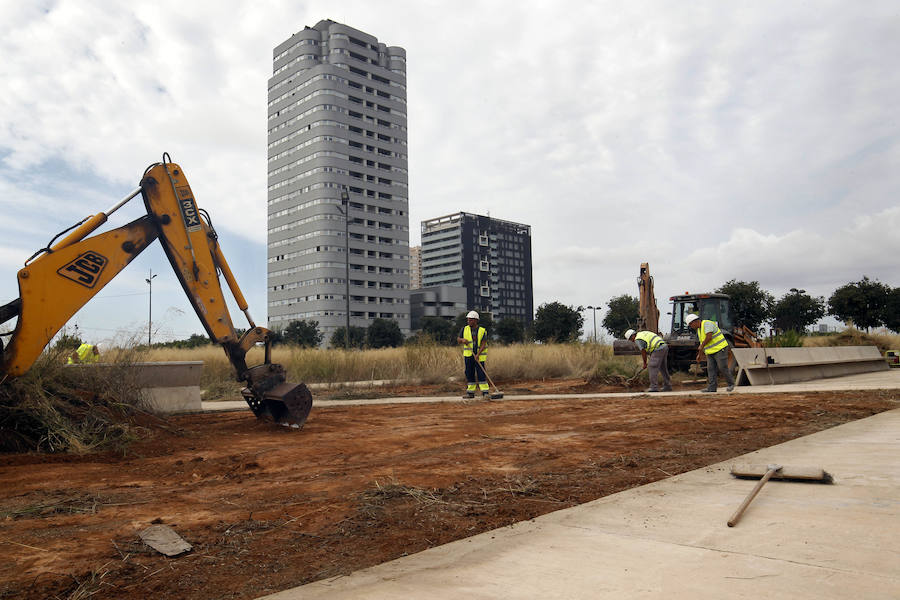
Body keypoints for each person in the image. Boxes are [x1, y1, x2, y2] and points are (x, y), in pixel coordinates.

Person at [686, 314, 734, 392]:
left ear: (695, 321)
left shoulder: (707, 324)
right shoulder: (699, 330)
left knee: (722, 367)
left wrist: (702, 346)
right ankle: (712, 388)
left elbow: (709, 337)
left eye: (690, 324)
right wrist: (699, 355)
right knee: (711, 369)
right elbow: (702, 343)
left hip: (720, 348)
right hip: (710, 352)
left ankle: (731, 384)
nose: (691, 326)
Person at [456, 310, 489, 398]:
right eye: (468, 320)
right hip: (468, 356)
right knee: (469, 373)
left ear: (475, 320)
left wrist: (478, 354)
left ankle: (485, 392)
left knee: (481, 373)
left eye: (470, 320)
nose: (468, 321)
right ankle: (470, 392)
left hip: (479, 356)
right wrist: (462, 340)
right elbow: (458, 339)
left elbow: (483, 344)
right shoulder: (464, 329)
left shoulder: (482, 331)